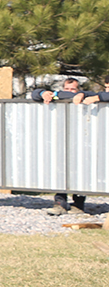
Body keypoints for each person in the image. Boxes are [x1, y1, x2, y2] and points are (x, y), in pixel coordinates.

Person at [28, 78, 104, 216]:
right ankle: (60, 203)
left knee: (81, 171)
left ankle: (78, 204)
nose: (69, 92)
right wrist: (43, 93)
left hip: (83, 139)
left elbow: (95, 94)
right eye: (67, 89)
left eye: (73, 89)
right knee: (61, 170)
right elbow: (35, 94)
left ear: (79, 89)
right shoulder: (58, 96)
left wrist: (81, 95)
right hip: (62, 138)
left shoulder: (88, 96)